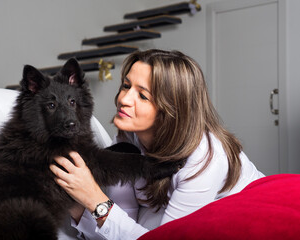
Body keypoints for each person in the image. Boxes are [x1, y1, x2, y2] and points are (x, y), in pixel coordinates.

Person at [50, 49, 265, 240]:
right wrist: (78, 203)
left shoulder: (205, 157)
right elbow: (119, 218)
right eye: (126, 86)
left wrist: (93, 197)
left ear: (172, 109)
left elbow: (109, 212)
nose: (124, 99)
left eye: (143, 96)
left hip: (255, 218)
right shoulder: (128, 138)